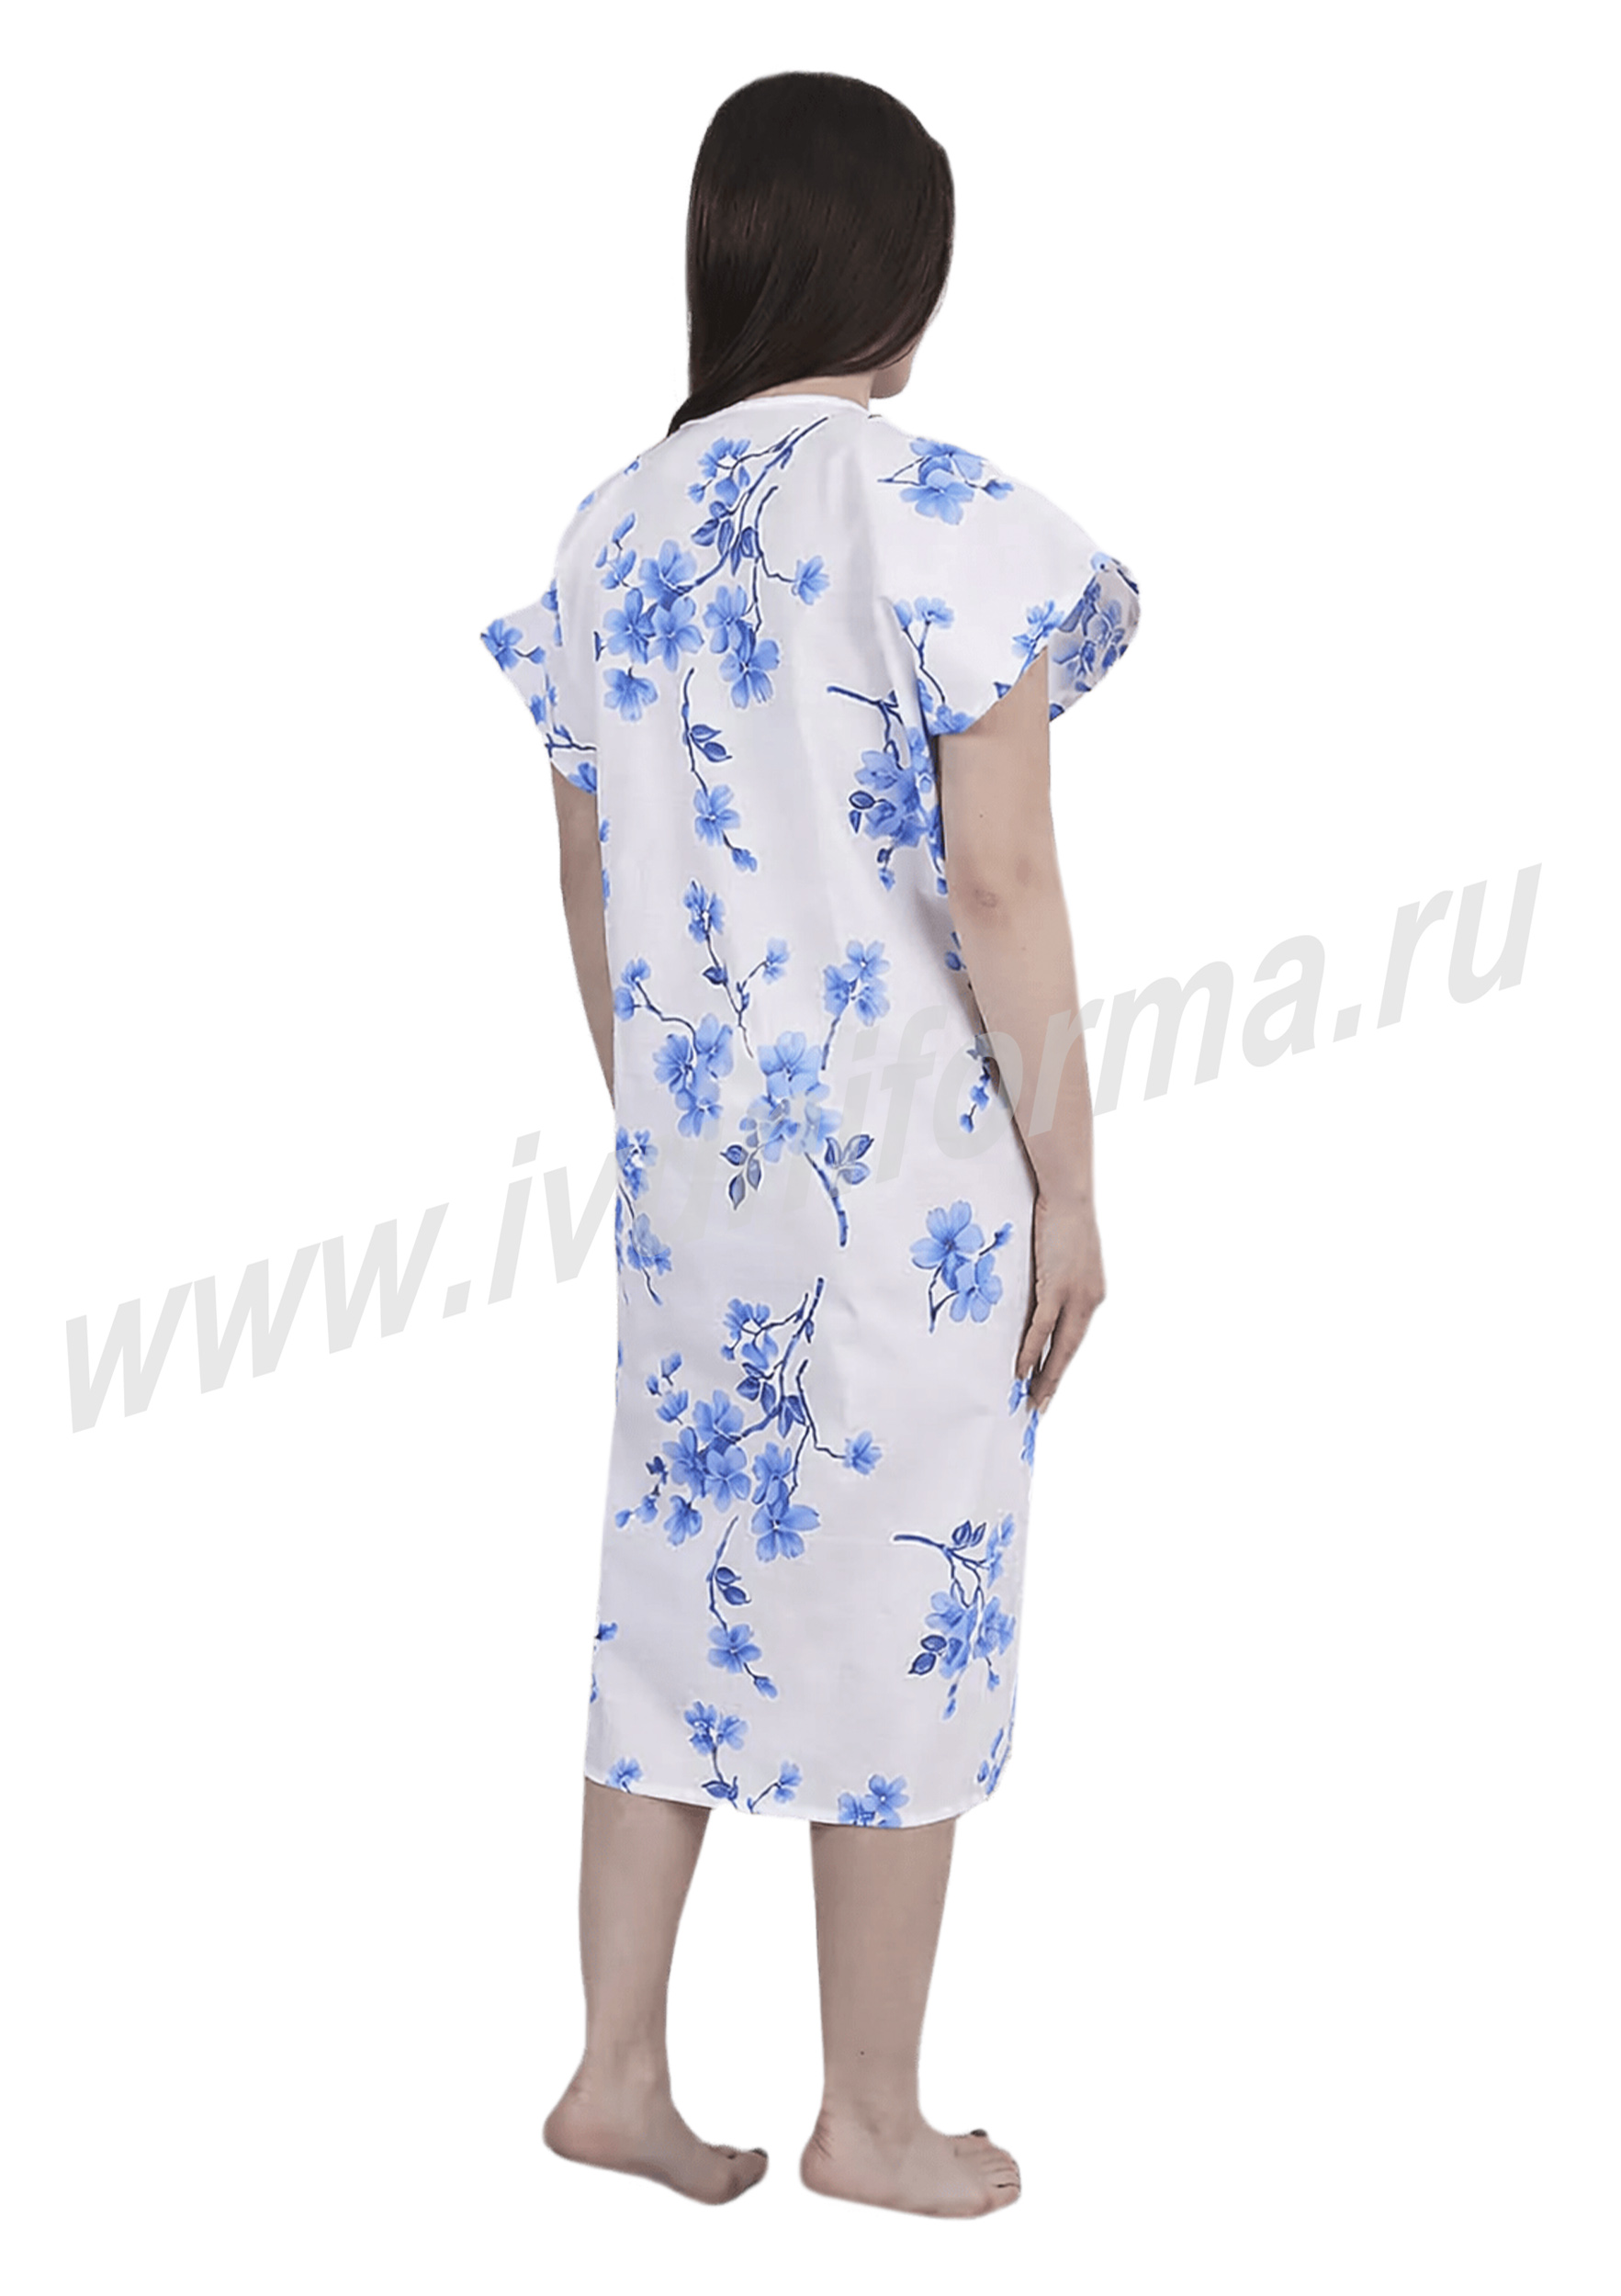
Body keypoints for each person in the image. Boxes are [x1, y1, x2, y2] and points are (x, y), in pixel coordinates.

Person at [480, 70, 1142, 2218]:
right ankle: (871, 2113)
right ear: (900, 275)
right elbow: (1003, 881)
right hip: (912, 1184)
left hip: (700, 1179)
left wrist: (664, 1116)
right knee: (904, 1597)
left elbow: (587, 880)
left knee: (671, 1592)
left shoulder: (609, 530)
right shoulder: (939, 512)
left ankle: (616, 2071)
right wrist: (1069, 1183)